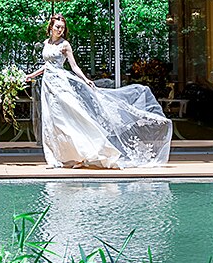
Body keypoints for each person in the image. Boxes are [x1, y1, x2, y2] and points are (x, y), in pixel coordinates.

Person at [26, 15, 172, 168]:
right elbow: (47, 66)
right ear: (50, 27)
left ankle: (86, 153)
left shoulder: (65, 45)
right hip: (48, 86)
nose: (60, 30)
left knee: (70, 117)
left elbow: (74, 66)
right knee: (51, 121)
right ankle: (56, 158)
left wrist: (85, 79)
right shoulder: (46, 43)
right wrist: (31, 75)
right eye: (57, 27)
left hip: (61, 84)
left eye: (62, 27)